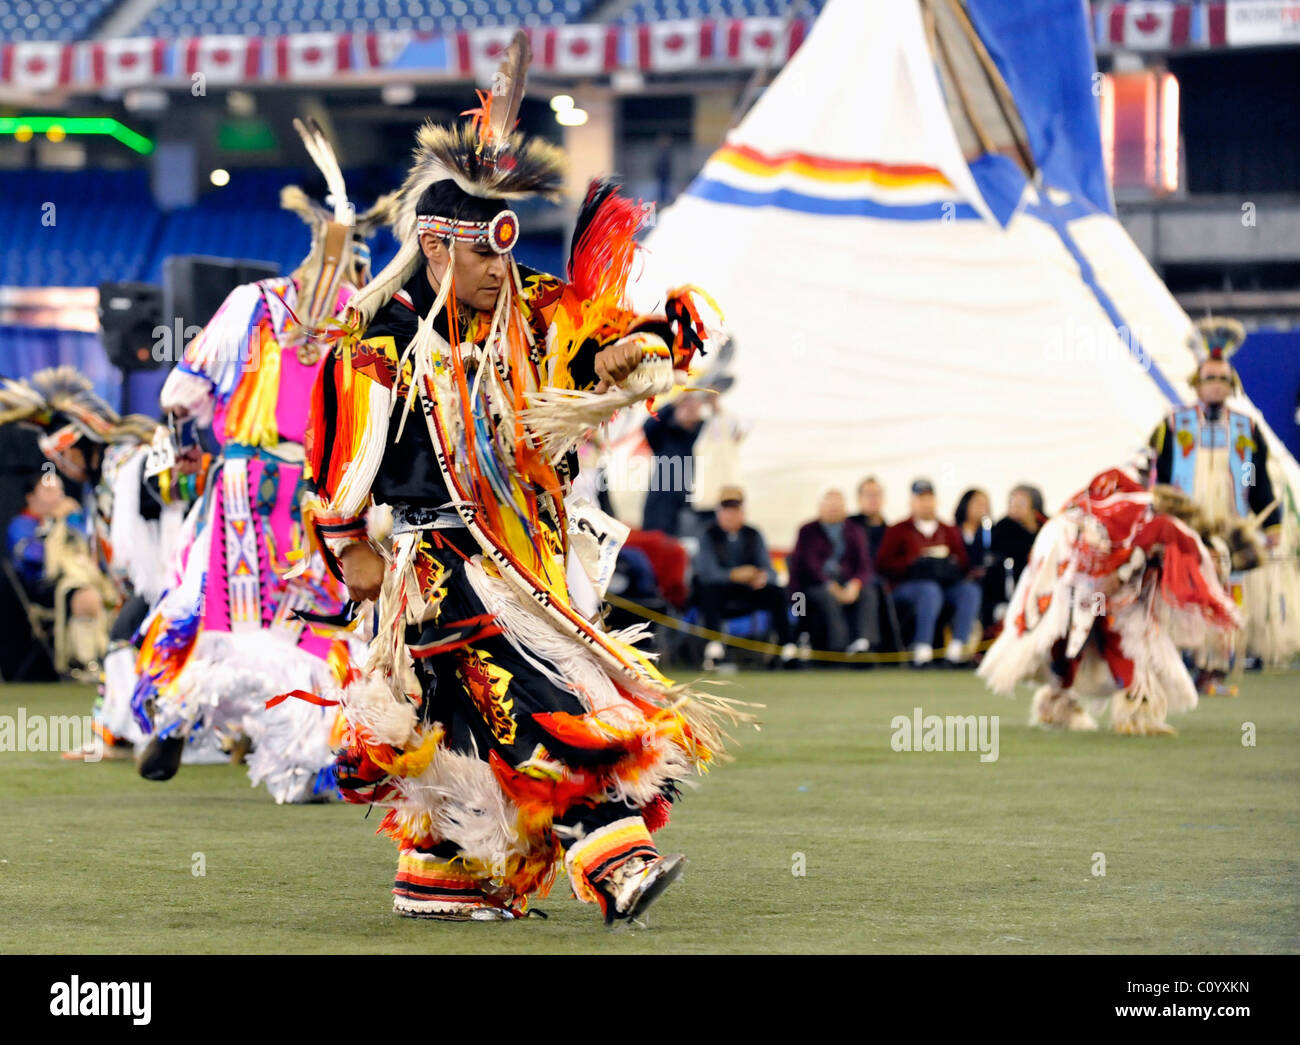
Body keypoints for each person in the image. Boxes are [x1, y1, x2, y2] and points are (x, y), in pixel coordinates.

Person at [301, 35, 744, 924]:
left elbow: (608, 339)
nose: (500, 268)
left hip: (532, 553)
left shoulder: (531, 306)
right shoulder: (380, 340)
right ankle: (615, 859)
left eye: (506, 251)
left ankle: (448, 875)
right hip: (440, 567)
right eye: (481, 254)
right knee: (541, 696)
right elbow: (339, 474)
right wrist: (357, 562)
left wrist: (631, 352)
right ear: (435, 245)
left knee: (463, 721)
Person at [129, 119, 392, 802]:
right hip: (324, 492)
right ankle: (306, 760)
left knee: (211, 603)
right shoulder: (370, 323)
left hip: (245, 478)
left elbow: (178, 391)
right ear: (361, 267)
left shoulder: (251, 303)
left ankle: (180, 712)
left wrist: (188, 438)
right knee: (314, 620)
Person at [978, 465, 1239, 735]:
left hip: (1082, 563)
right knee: (1092, 630)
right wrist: (1115, 573)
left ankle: (1071, 703)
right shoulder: (1164, 524)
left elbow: (1131, 548)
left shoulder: (1145, 512)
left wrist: (1115, 573)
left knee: (1094, 630)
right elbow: (1135, 547)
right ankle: (1115, 708)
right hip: (1073, 561)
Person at [1148, 316, 1298, 680]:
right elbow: (1158, 476)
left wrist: (1271, 523)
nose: (1216, 386)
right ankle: (1183, 656)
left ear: (1232, 384)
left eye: (1222, 379)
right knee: (1183, 583)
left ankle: (1217, 661)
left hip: (1232, 521)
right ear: (1196, 383)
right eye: (1209, 379)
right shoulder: (1173, 425)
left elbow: (1257, 479)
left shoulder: (1245, 429)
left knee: (1227, 587)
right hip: (1187, 518)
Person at [876, 479, 980, 667]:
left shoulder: (947, 530)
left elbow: (963, 563)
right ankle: (922, 649)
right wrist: (914, 563)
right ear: (912, 502)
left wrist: (946, 564)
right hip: (906, 587)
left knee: (970, 591)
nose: (925, 503)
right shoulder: (898, 529)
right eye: (920, 498)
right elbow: (883, 564)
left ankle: (957, 649)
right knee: (929, 590)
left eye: (929, 498)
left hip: (945, 585)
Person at [693, 484, 796, 670]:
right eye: (726, 510)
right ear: (719, 512)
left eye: (735, 510)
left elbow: (769, 568)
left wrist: (762, 577)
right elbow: (706, 572)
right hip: (721, 591)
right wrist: (734, 575)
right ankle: (714, 647)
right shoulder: (708, 535)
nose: (730, 515)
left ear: (742, 512)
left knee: (777, 592)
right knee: (708, 591)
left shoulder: (753, 534)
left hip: (749, 590)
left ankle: (787, 647)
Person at [788, 489, 876, 656]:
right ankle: (838, 646)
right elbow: (808, 566)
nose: (833, 510)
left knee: (868, 592)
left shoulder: (855, 530)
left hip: (847, 581)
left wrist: (855, 584)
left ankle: (863, 643)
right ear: (820, 508)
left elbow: (864, 565)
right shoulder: (807, 530)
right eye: (829, 506)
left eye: (838, 506)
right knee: (827, 597)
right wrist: (831, 586)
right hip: (814, 585)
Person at [641, 391, 704, 536]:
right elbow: (648, 425)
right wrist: (673, 403)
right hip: (659, 509)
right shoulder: (663, 438)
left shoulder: (699, 436)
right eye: (684, 407)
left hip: (686, 509)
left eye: (692, 408)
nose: (689, 410)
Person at [988, 484, 1046, 624]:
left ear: (1034, 506)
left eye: (1021, 502)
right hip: (1013, 586)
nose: (1014, 506)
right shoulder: (1002, 527)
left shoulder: (1047, 527)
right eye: (1011, 501)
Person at [954, 487, 994, 625]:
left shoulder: (989, 532)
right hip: (959, 581)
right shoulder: (952, 531)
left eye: (985, 504)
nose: (982, 508)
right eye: (977, 503)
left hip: (985, 582)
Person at [848, 476, 888, 561]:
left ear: (883, 498)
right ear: (859, 499)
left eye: (877, 494)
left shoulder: (891, 531)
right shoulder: (847, 527)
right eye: (868, 494)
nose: (873, 498)